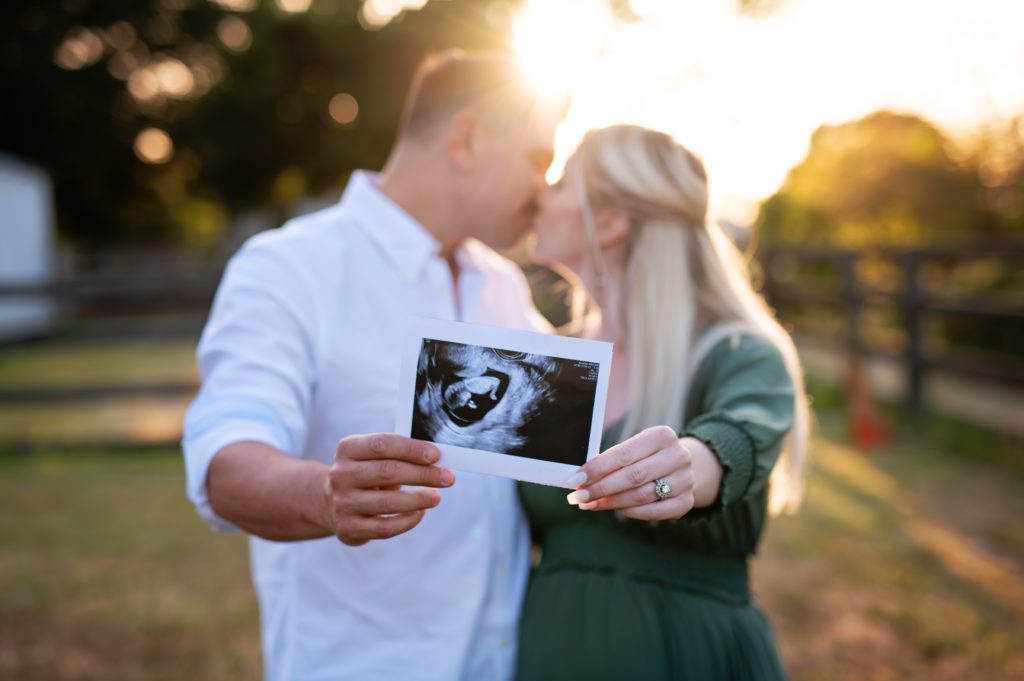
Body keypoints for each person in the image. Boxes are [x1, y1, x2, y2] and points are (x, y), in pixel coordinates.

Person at [181, 50, 562, 681]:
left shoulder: (501, 286)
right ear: (466, 139)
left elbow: (574, 424)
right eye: (539, 160)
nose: (545, 189)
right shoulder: (287, 269)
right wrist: (324, 496)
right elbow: (226, 459)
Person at [515, 124, 810, 680]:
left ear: (609, 221)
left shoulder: (741, 354)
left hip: (685, 654)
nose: (539, 196)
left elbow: (733, 441)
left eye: (560, 183)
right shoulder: (549, 363)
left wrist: (686, 466)